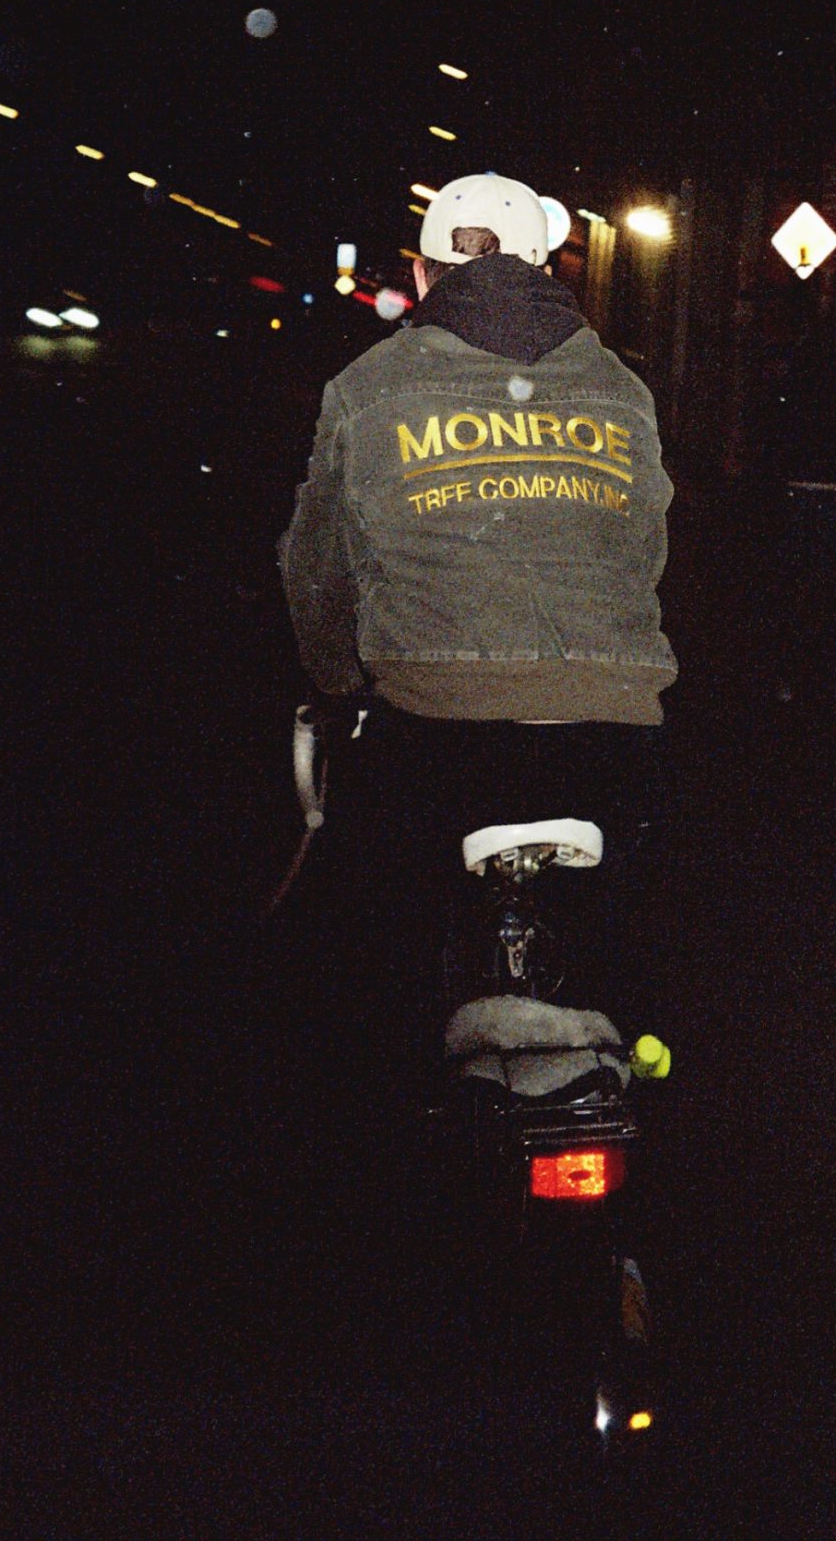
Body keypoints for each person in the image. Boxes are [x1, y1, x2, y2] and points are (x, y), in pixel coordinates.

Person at [280, 173, 674, 1071]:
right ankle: (636, 1054)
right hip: (609, 738)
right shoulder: (622, 389)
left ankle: (392, 1112)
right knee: (625, 942)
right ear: (547, 262)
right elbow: (643, 557)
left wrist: (338, 676)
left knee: (376, 950)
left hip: (437, 734)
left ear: (421, 275)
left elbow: (315, 568)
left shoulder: (366, 386)